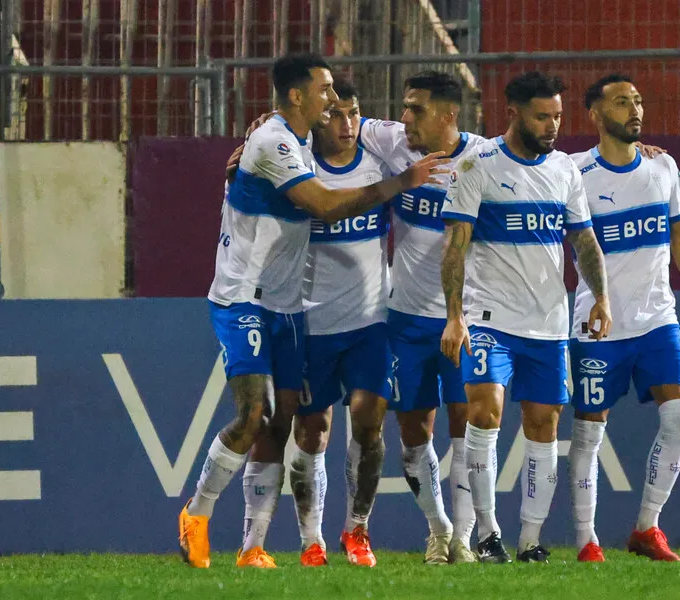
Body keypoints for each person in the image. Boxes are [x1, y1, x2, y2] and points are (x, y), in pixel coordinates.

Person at [177, 53, 447, 569]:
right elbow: (323, 205)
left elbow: (380, 127)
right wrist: (400, 183)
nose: (335, 105)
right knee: (254, 414)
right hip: (244, 298)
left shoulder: (301, 138)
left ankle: (255, 548)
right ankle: (198, 514)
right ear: (298, 96)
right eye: (324, 91)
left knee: (279, 427)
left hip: (289, 307)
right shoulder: (276, 142)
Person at [440, 71, 612, 564]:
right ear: (512, 112)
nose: (553, 125)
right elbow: (456, 246)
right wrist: (455, 317)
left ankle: (530, 539)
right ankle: (488, 533)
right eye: (543, 116)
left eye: (558, 115)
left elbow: (582, 240)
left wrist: (601, 297)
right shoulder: (478, 166)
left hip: (548, 323)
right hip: (489, 317)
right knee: (485, 411)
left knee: (542, 425)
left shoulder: (564, 170)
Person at [567, 73, 680, 563]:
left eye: (637, 101)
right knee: (590, 431)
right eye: (620, 102)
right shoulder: (573, 173)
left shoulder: (663, 167)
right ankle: (587, 540)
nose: (634, 109)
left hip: (658, 319)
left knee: (679, 413)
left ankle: (646, 527)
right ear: (594, 114)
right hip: (599, 325)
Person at [357, 71, 488, 564]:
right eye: (405, 107)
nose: (405, 117)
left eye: (416, 109)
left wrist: (644, 151)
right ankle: (439, 529)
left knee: (469, 425)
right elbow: (333, 120)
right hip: (405, 318)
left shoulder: (484, 159)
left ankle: (465, 538)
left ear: (448, 115)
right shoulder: (393, 141)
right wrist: (265, 124)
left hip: (467, 318)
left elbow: (548, 165)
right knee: (415, 428)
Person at [290, 77, 392, 568]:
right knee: (312, 432)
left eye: (354, 113)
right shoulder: (298, 168)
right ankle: (312, 538)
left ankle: (358, 529)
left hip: (371, 322)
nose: (347, 124)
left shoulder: (378, 163)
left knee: (370, 423)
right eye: (334, 113)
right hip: (313, 325)